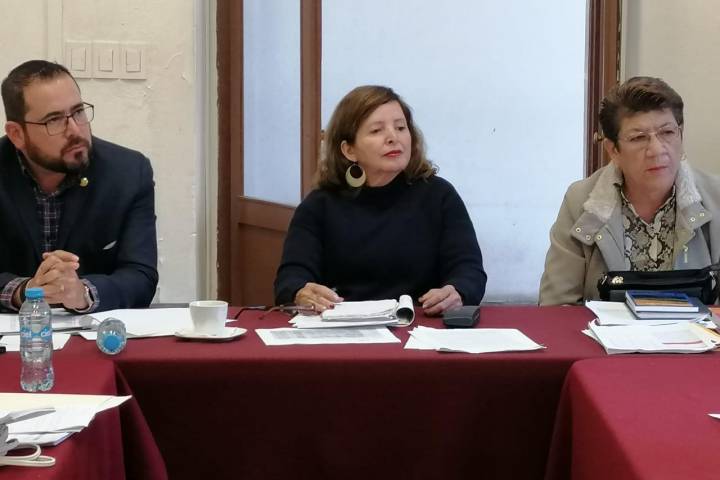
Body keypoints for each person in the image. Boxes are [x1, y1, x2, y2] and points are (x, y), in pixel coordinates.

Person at [274, 85, 486, 315]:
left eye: (401, 127)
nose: (393, 138)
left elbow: (469, 269)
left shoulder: (439, 195)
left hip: (419, 323)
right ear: (349, 150)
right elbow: (291, 278)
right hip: (343, 325)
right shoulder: (320, 205)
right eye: (376, 130)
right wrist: (300, 292)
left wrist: (458, 291)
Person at [539, 76, 720, 305]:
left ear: (680, 134)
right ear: (613, 150)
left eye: (667, 133)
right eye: (638, 138)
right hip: (603, 329)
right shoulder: (580, 201)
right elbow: (557, 305)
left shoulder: (715, 197)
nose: (657, 150)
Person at [0, 60, 158, 313]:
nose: (75, 130)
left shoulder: (128, 173)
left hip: (94, 331)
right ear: (17, 134)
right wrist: (25, 291)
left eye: (78, 112)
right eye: (54, 120)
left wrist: (83, 293)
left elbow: (140, 276)